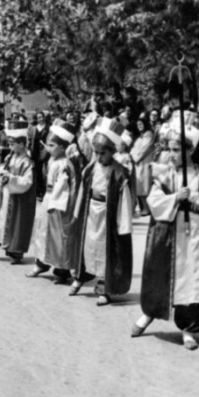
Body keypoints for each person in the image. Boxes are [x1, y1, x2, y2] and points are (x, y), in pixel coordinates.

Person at [132, 120, 199, 350]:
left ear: (190, 150)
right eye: (169, 149)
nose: (171, 154)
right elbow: (154, 201)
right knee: (161, 274)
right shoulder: (164, 174)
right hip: (168, 231)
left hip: (196, 232)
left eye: (177, 150)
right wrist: (175, 197)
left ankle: (188, 328)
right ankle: (149, 314)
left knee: (193, 277)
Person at [68, 117, 133, 306]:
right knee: (87, 245)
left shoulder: (120, 172)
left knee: (106, 250)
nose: (98, 156)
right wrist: (77, 211)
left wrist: (124, 224)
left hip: (108, 215)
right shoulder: (91, 168)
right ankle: (81, 276)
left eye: (102, 153)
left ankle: (105, 287)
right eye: (95, 152)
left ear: (112, 152)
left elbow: (125, 200)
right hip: (91, 213)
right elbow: (83, 188)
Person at [26, 121, 77, 283]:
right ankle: (41, 263)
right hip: (48, 198)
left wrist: (55, 203)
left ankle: (61, 270)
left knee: (58, 235)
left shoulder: (64, 164)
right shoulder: (51, 160)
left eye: (52, 145)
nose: (49, 148)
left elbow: (63, 187)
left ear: (62, 147)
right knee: (42, 232)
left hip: (58, 202)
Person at [0, 120, 36, 264]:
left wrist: (11, 178)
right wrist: (2, 177)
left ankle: (15, 252)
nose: (10, 146)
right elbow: (1, 169)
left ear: (22, 144)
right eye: (10, 143)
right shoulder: (10, 157)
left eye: (13, 143)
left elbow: (27, 181)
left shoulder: (27, 162)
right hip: (6, 194)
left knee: (17, 223)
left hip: (18, 197)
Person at [130, 117, 156, 216]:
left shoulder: (149, 134)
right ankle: (143, 207)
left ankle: (146, 208)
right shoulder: (140, 136)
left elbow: (146, 149)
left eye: (141, 124)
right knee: (139, 186)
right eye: (138, 125)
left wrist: (138, 159)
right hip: (137, 163)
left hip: (144, 162)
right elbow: (134, 148)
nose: (139, 126)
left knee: (144, 186)